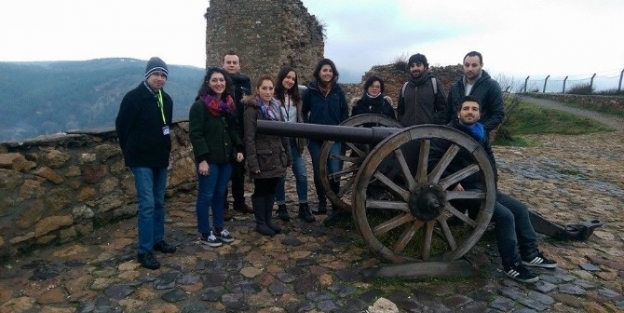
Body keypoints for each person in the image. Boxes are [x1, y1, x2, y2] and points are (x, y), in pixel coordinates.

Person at [429, 95, 557, 283]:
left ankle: (530, 254)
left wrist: (493, 187)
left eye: (474, 109)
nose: (470, 112)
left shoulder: (481, 135)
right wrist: (451, 180)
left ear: (479, 114)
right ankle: (512, 266)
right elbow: (431, 161)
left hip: (484, 189)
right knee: (505, 216)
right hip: (460, 193)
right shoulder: (447, 134)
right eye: (466, 109)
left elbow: (490, 164)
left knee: (520, 209)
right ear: (458, 113)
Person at [115, 57, 177, 270]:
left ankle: (158, 239)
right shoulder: (133, 98)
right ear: (147, 75)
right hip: (141, 160)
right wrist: (129, 154)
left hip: (160, 159)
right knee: (147, 204)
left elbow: (166, 127)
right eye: (156, 74)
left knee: (159, 202)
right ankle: (145, 250)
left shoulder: (166, 100)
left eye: (163, 75)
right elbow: (122, 128)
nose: (159, 79)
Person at [189, 67, 244, 248]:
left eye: (221, 80)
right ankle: (205, 232)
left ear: (226, 82)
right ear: (207, 83)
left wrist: (238, 148)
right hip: (210, 160)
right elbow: (196, 134)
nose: (218, 83)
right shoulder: (200, 106)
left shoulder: (228, 105)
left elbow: (233, 129)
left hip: (226, 159)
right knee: (206, 195)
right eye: (214, 80)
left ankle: (219, 228)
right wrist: (202, 159)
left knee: (220, 195)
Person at [243, 75, 292, 236]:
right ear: (257, 90)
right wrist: (253, 163)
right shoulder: (252, 110)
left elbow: (284, 133)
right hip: (262, 157)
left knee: (271, 188)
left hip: (276, 156)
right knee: (261, 189)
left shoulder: (277, 107)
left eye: (271, 88)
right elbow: (249, 138)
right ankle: (261, 223)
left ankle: (268, 219)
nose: (268, 91)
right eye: (264, 88)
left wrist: (288, 155)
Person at [301, 58, 349, 216]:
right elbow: (303, 111)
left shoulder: (338, 92)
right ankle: (322, 202)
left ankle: (335, 203)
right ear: (319, 73)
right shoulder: (311, 91)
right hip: (315, 139)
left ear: (334, 73)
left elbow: (344, 113)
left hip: (334, 138)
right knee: (318, 170)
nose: (327, 73)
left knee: (334, 170)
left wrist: (342, 131)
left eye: (330, 71)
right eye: (324, 70)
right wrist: (309, 127)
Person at [274, 67, 315, 223]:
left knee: (302, 175)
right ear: (281, 78)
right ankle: (281, 205)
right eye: (287, 77)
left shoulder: (297, 99)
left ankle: (303, 206)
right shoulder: (273, 98)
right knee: (280, 177)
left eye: (293, 78)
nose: (290, 80)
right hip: (279, 142)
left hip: (294, 142)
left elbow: (300, 119)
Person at [222, 51, 253, 220]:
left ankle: (239, 201)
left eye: (234, 62)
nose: (232, 65)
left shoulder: (245, 83)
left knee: (239, 170)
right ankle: (223, 206)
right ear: (223, 64)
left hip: (241, 132)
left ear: (239, 65)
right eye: (229, 62)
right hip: (225, 132)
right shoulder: (219, 82)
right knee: (225, 170)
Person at [446, 51, 505, 135]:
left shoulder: (492, 86)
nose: (470, 68)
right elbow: (447, 112)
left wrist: (481, 129)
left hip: (477, 138)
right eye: (467, 65)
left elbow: (498, 114)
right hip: (454, 135)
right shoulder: (455, 87)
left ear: (481, 65)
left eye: (474, 65)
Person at [396, 53, 448, 126]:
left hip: (430, 132)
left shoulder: (435, 84)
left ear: (425, 67)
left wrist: (433, 121)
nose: (415, 68)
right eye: (412, 66)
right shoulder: (405, 87)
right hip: (409, 132)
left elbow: (443, 109)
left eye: (418, 65)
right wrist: (404, 121)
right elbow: (400, 111)